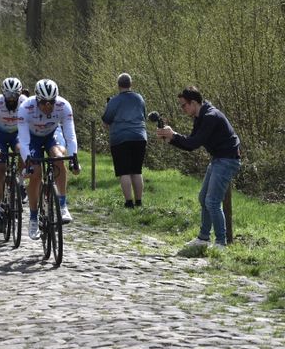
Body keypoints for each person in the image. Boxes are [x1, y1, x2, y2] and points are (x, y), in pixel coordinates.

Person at [156, 86, 241, 249]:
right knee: (204, 198)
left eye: (183, 105)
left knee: (212, 201)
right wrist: (170, 139)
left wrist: (173, 135)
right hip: (218, 159)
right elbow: (190, 144)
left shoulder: (210, 116)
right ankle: (203, 238)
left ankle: (221, 243)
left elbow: (194, 143)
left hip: (227, 160)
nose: (182, 109)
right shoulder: (199, 117)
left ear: (194, 103)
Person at [18, 79, 81, 239]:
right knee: (36, 174)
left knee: (59, 159)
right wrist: (28, 162)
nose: (48, 106)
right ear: (37, 99)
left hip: (52, 135)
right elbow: (23, 141)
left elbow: (70, 135)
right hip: (32, 139)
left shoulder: (64, 106)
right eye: (44, 102)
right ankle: (33, 218)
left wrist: (74, 158)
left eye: (51, 102)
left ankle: (62, 205)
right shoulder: (25, 108)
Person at [0, 77, 26, 233]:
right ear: (3, 93)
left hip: (16, 133)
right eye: (8, 95)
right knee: (0, 170)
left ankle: (21, 184)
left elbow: (28, 126)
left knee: (23, 151)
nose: (11, 98)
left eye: (14, 95)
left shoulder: (25, 102)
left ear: (20, 93)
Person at [101, 73, 147, 208]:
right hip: (139, 136)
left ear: (118, 85)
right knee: (137, 171)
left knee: (124, 171)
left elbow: (106, 120)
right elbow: (143, 115)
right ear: (130, 84)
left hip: (120, 138)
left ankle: (128, 202)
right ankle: (139, 202)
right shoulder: (139, 98)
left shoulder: (114, 101)